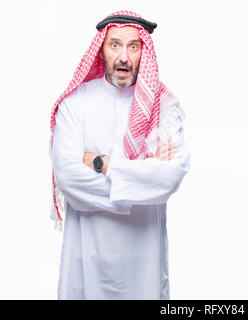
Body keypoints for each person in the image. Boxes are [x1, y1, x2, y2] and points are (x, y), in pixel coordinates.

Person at [48, 11, 190, 300]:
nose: (123, 56)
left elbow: (170, 178)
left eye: (133, 46)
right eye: (115, 45)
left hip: (143, 263)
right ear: (101, 49)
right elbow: (69, 179)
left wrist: (101, 163)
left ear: (143, 52)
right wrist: (143, 180)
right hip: (87, 257)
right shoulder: (76, 104)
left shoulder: (165, 105)